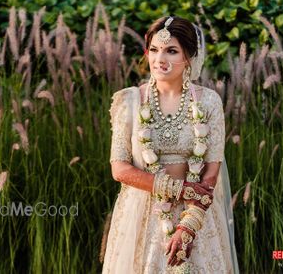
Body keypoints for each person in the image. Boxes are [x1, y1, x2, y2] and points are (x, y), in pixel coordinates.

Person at [101, 16, 239, 274]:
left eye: (171, 51)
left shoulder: (208, 102)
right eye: (154, 50)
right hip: (142, 215)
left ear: (189, 56)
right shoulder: (129, 102)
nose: (159, 59)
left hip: (197, 214)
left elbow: (210, 172)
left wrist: (189, 226)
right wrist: (181, 189)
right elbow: (119, 170)